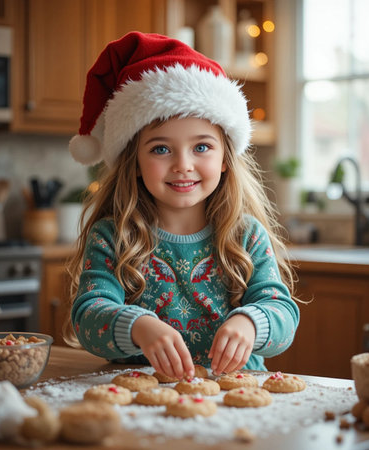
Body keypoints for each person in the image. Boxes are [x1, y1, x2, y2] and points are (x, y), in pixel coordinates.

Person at [63, 31, 300, 380]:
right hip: (139, 404)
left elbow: (281, 311)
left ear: (224, 158)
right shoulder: (113, 236)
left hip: (234, 398)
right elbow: (89, 315)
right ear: (135, 161)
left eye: (201, 147)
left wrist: (251, 322)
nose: (183, 164)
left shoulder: (246, 236)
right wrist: (137, 326)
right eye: (161, 149)